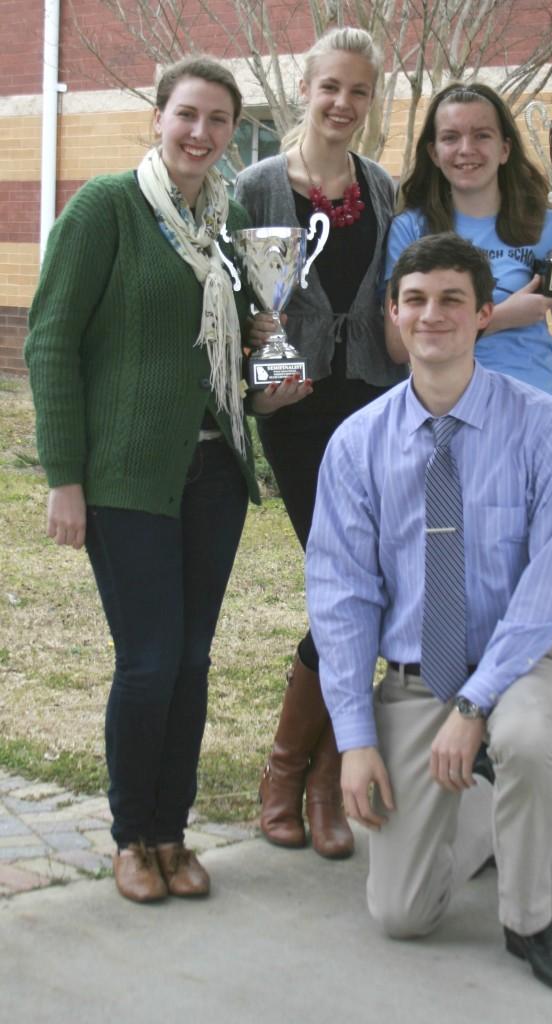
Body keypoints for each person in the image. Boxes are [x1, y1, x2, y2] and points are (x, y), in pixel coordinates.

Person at [24, 55, 301, 904]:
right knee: (147, 662)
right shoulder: (107, 207)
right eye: (187, 114)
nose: (201, 133)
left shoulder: (230, 220)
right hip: (126, 478)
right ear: (158, 117)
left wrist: (265, 346)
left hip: (215, 471)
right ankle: (129, 836)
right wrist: (63, 477)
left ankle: (172, 833)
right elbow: (50, 342)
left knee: (191, 659)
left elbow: (223, 341)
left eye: (219, 120)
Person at [306, 233, 552, 991]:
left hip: (513, 664)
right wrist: (355, 738)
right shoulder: (355, 444)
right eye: (415, 300)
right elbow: (342, 596)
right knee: (403, 916)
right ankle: (482, 802)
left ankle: (529, 918)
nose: (431, 315)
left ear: (483, 315)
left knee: (527, 741)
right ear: (393, 315)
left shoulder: (547, 429)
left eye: (450, 300)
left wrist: (475, 705)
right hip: (412, 679)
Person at [235, 27, 406, 859]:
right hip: (296, 410)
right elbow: (227, 300)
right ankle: (288, 771)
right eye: (330, 86)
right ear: (304, 87)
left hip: (374, 399)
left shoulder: (383, 187)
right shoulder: (259, 185)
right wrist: (252, 365)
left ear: (371, 102)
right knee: (346, 580)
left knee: (374, 582)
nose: (343, 103)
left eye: (359, 92)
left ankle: (317, 770)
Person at [383, 82, 552, 399]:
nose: (466, 148)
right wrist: (500, 318)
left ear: (505, 149)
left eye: (482, 135)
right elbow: (396, 346)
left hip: (534, 404)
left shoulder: (549, 227)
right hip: (447, 406)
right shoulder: (411, 230)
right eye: (450, 137)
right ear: (433, 152)